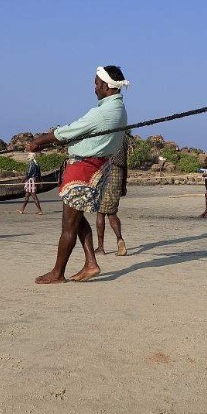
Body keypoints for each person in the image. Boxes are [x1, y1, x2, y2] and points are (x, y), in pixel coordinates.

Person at [26, 65, 129, 284]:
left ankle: (57, 273)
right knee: (78, 219)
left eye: (97, 83)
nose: (94, 87)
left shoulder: (104, 112)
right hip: (91, 166)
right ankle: (91, 263)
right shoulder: (117, 109)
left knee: (68, 226)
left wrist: (38, 141)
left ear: (106, 86)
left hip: (85, 169)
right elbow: (82, 135)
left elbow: (71, 130)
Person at [95, 135, 129, 255]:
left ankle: (100, 247)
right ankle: (120, 240)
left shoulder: (106, 134)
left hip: (105, 172)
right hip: (118, 174)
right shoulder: (123, 137)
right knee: (112, 212)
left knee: (100, 212)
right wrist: (124, 184)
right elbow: (125, 163)